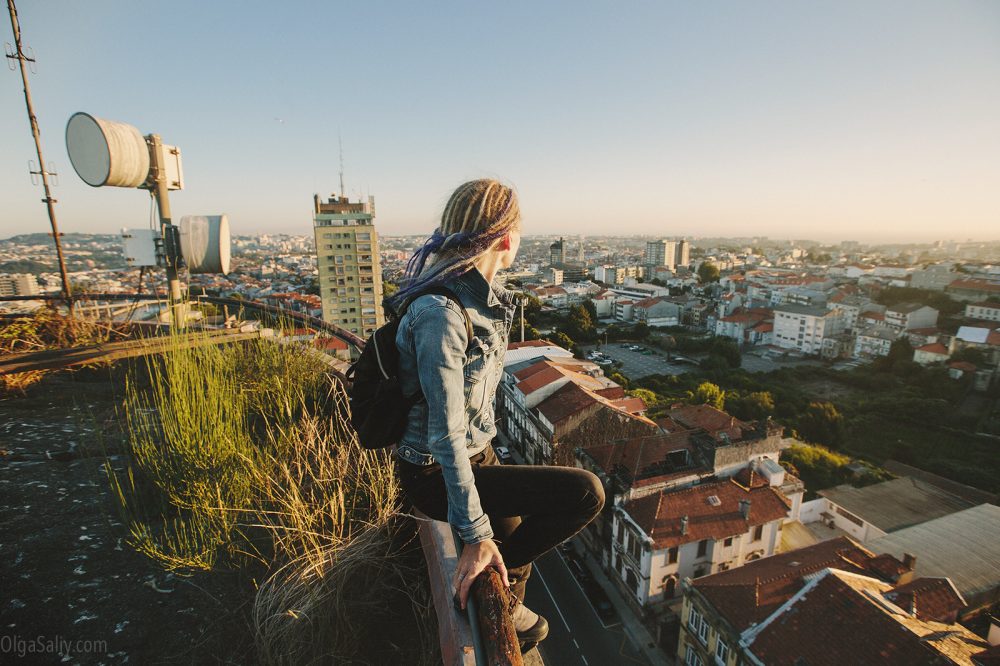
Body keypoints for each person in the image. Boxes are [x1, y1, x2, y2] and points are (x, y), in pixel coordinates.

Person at [387, 179, 605, 650]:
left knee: (518, 557)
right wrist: (473, 533)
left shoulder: (476, 298)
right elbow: (445, 436)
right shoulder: (441, 313)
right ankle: (496, 602)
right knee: (585, 494)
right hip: (433, 472)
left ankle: (504, 607)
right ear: (507, 239)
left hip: (478, 455)